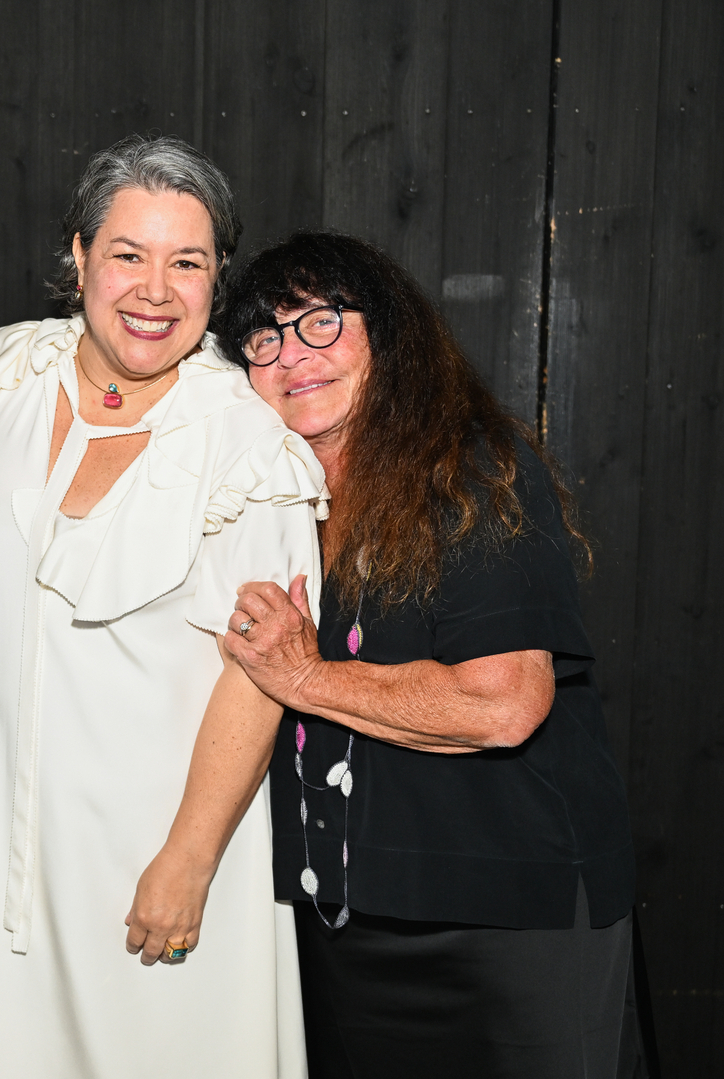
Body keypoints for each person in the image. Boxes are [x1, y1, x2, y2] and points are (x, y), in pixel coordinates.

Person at [0, 135, 322, 1079]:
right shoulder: (3, 386)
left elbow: (261, 673)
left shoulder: (247, 445)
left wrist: (189, 858)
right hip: (4, 868)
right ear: (78, 257)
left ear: (216, 278)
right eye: (128, 254)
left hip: (162, 866)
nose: (156, 288)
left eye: (187, 261)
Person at [218, 230, 635, 1078]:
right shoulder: (266, 501)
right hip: (340, 932)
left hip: (506, 927)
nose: (294, 355)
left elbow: (502, 702)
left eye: (322, 322)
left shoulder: (473, 468)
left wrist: (305, 677)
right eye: (266, 336)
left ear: (389, 333)